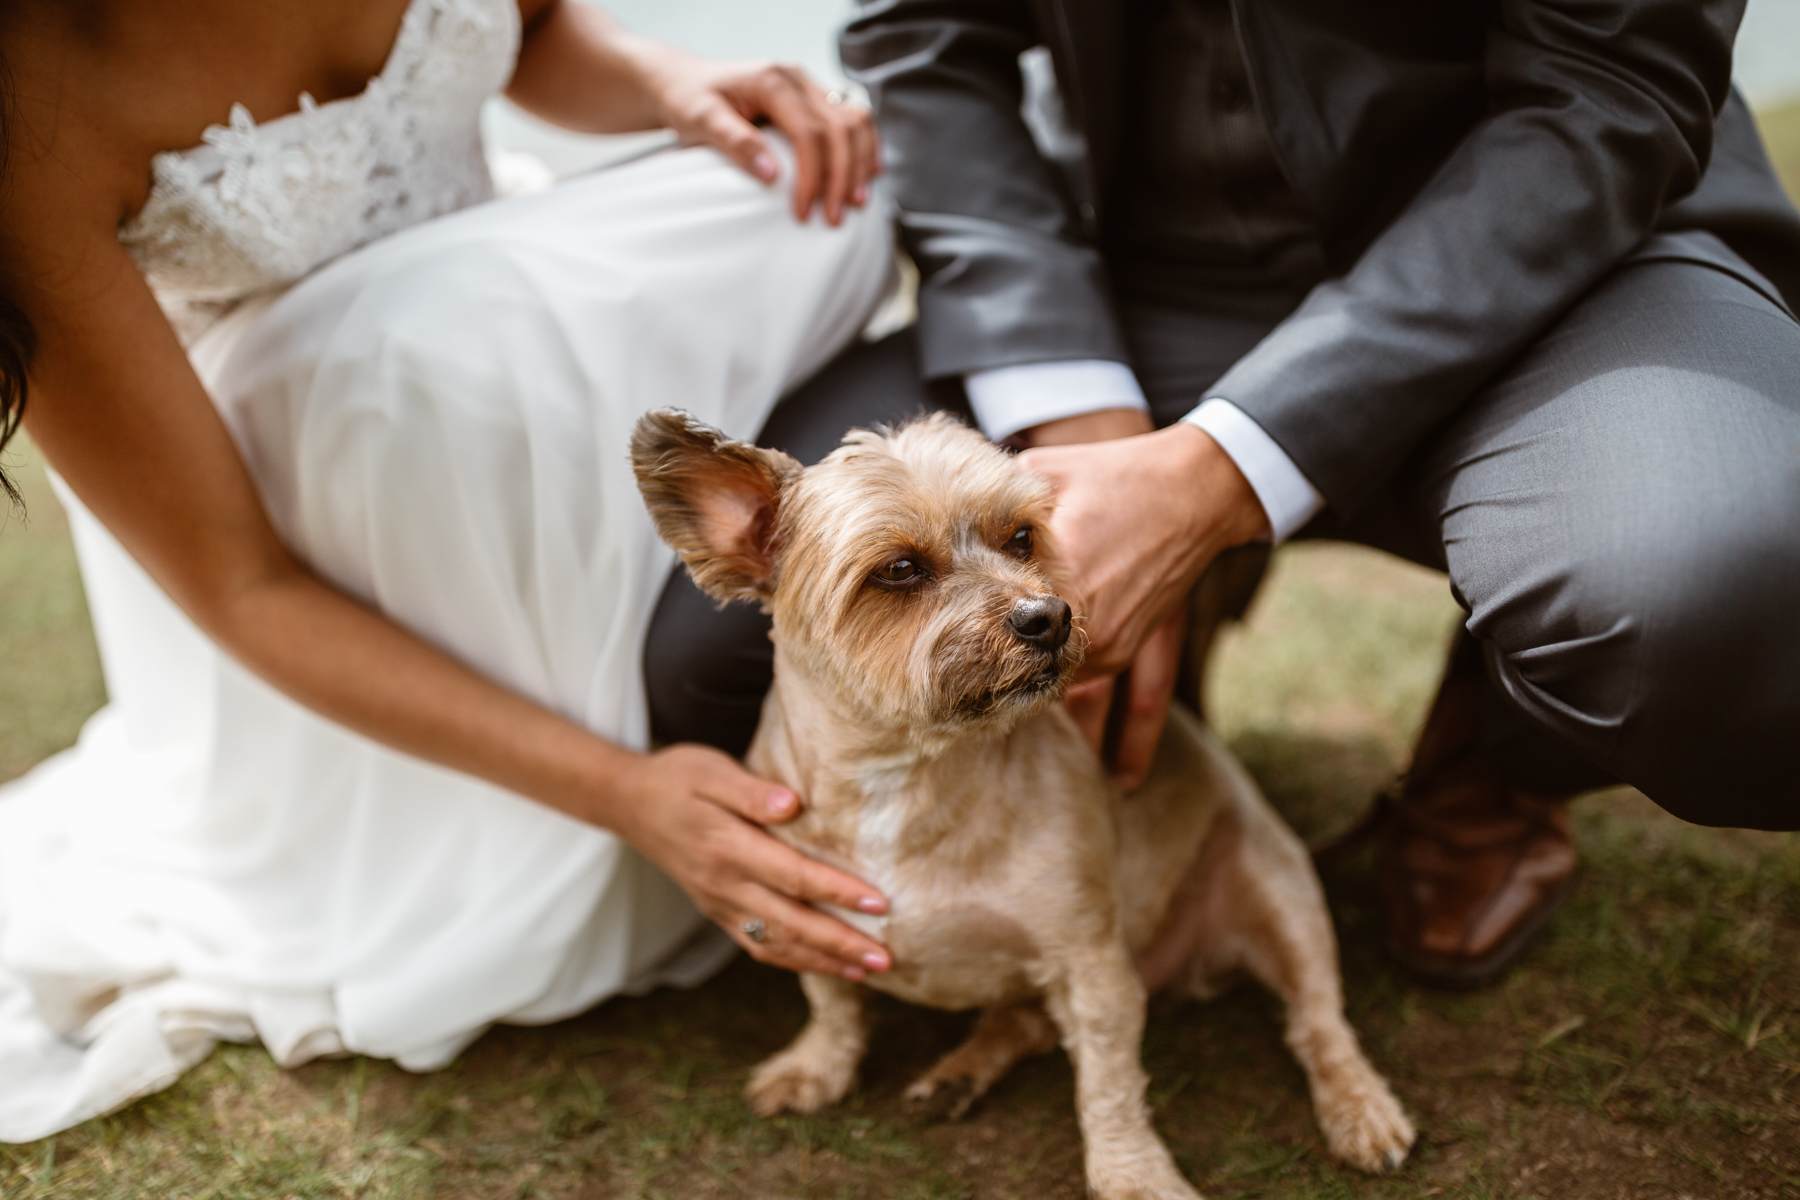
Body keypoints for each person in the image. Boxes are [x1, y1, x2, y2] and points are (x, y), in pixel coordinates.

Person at [649, 0, 1800, 990]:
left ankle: (1498, 758)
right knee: (705, 665)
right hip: (1125, 260)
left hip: (1574, 249)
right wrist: (1071, 403)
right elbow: (928, 34)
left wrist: (1216, 473)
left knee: (1707, 603)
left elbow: (1608, 87)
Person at [0, 0, 903, 1141]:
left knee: (810, 170)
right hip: (312, 493)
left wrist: (670, 82)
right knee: (424, 350)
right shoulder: (24, 105)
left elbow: (530, 29)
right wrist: (623, 794)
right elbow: (245, 588)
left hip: (514, 366)